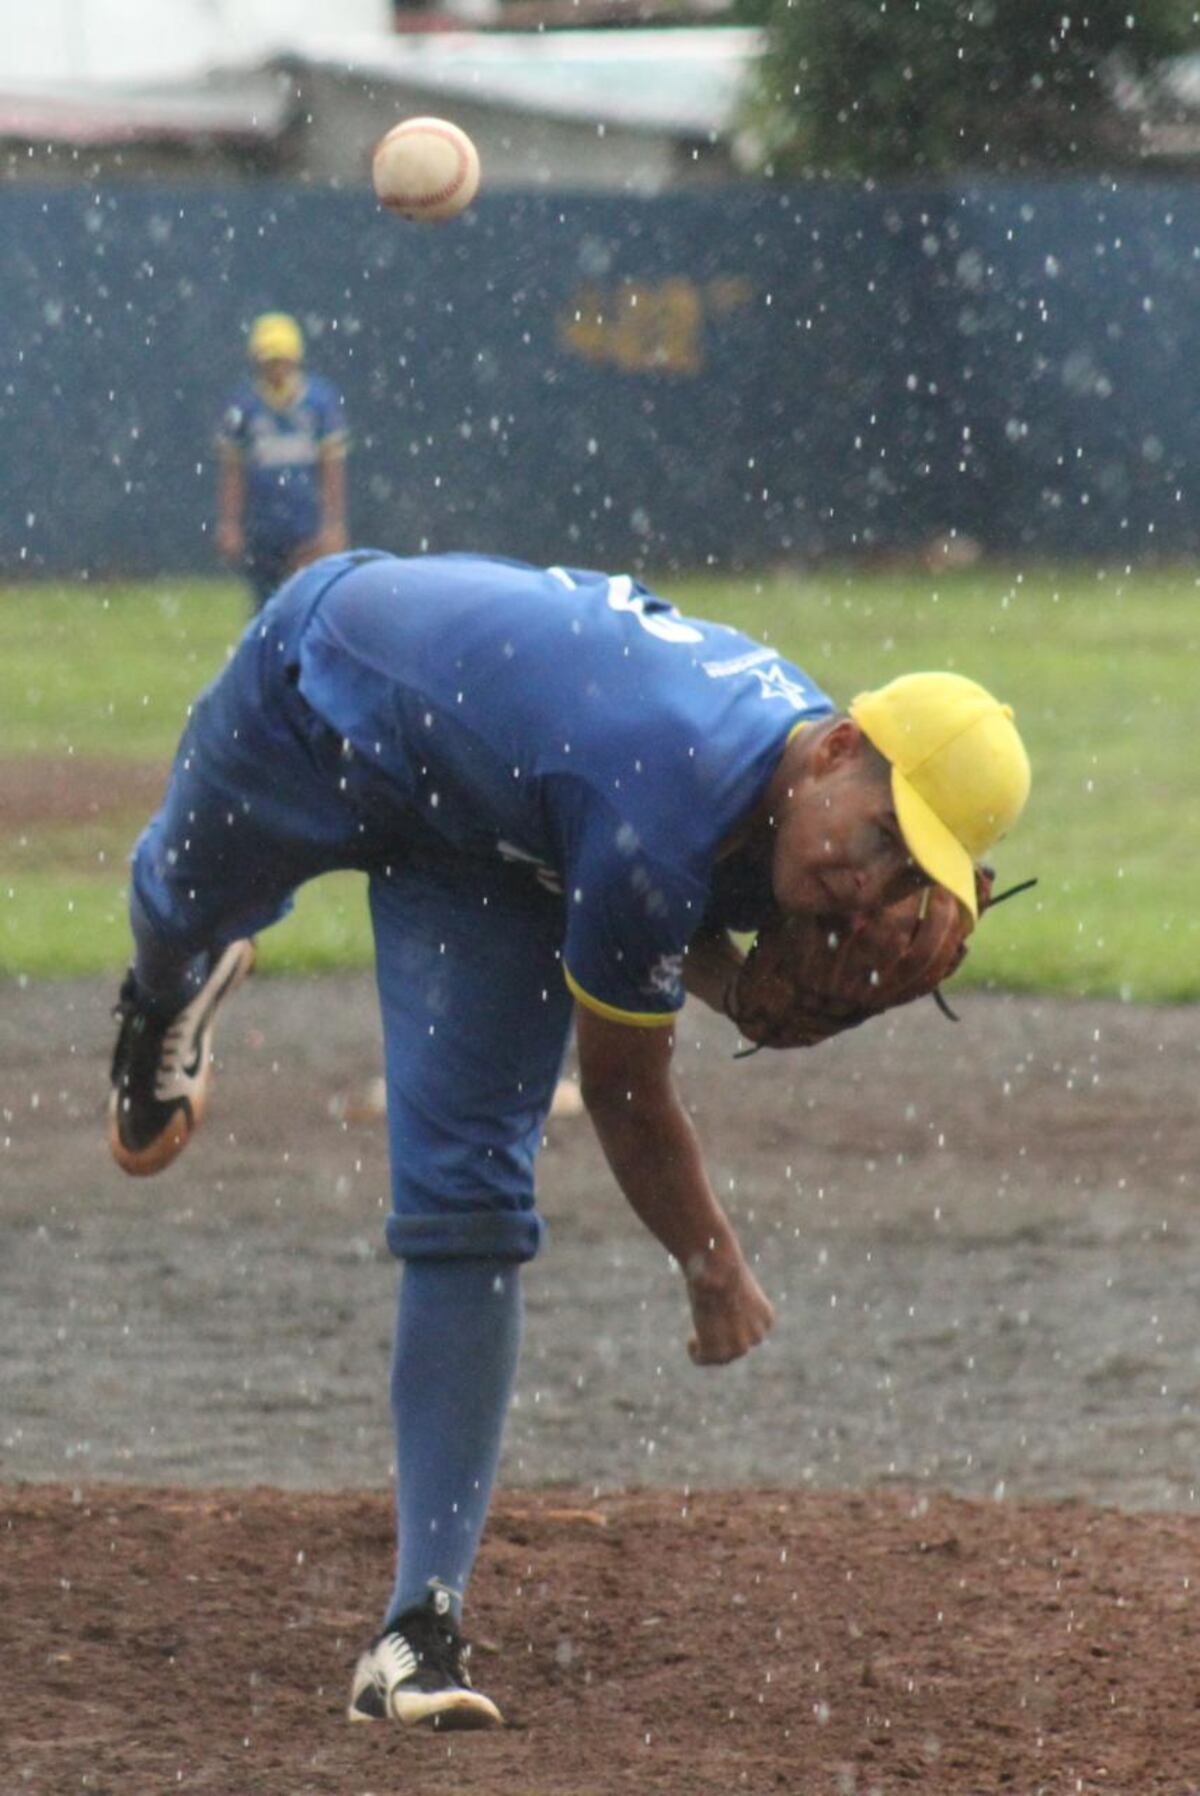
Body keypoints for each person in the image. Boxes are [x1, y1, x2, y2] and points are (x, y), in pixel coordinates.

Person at [107, 548, 1031, 1730]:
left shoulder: (773, 793)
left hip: (498, 854)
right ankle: (170, 990)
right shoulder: (674, 774)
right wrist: (717, 1271)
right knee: (177, 905)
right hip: (324, 688)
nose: (874, 883)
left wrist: (740, 984)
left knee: (469, 1195)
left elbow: (621, 875)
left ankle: (418, 1624)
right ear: (841, 746)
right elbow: (628, 1089)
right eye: (886, 831)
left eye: (913, 870)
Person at [215, 312, 349, 612]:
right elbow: (233, 470)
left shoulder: (319, 402)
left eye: (281, 360)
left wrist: (333, 524)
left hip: (305, 524)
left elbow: (332, 468)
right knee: (264, 608)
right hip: (261, 525)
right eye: (269, 361)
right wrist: (230, 523)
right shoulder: (244, 405)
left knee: (306, 605)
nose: (276, 369)